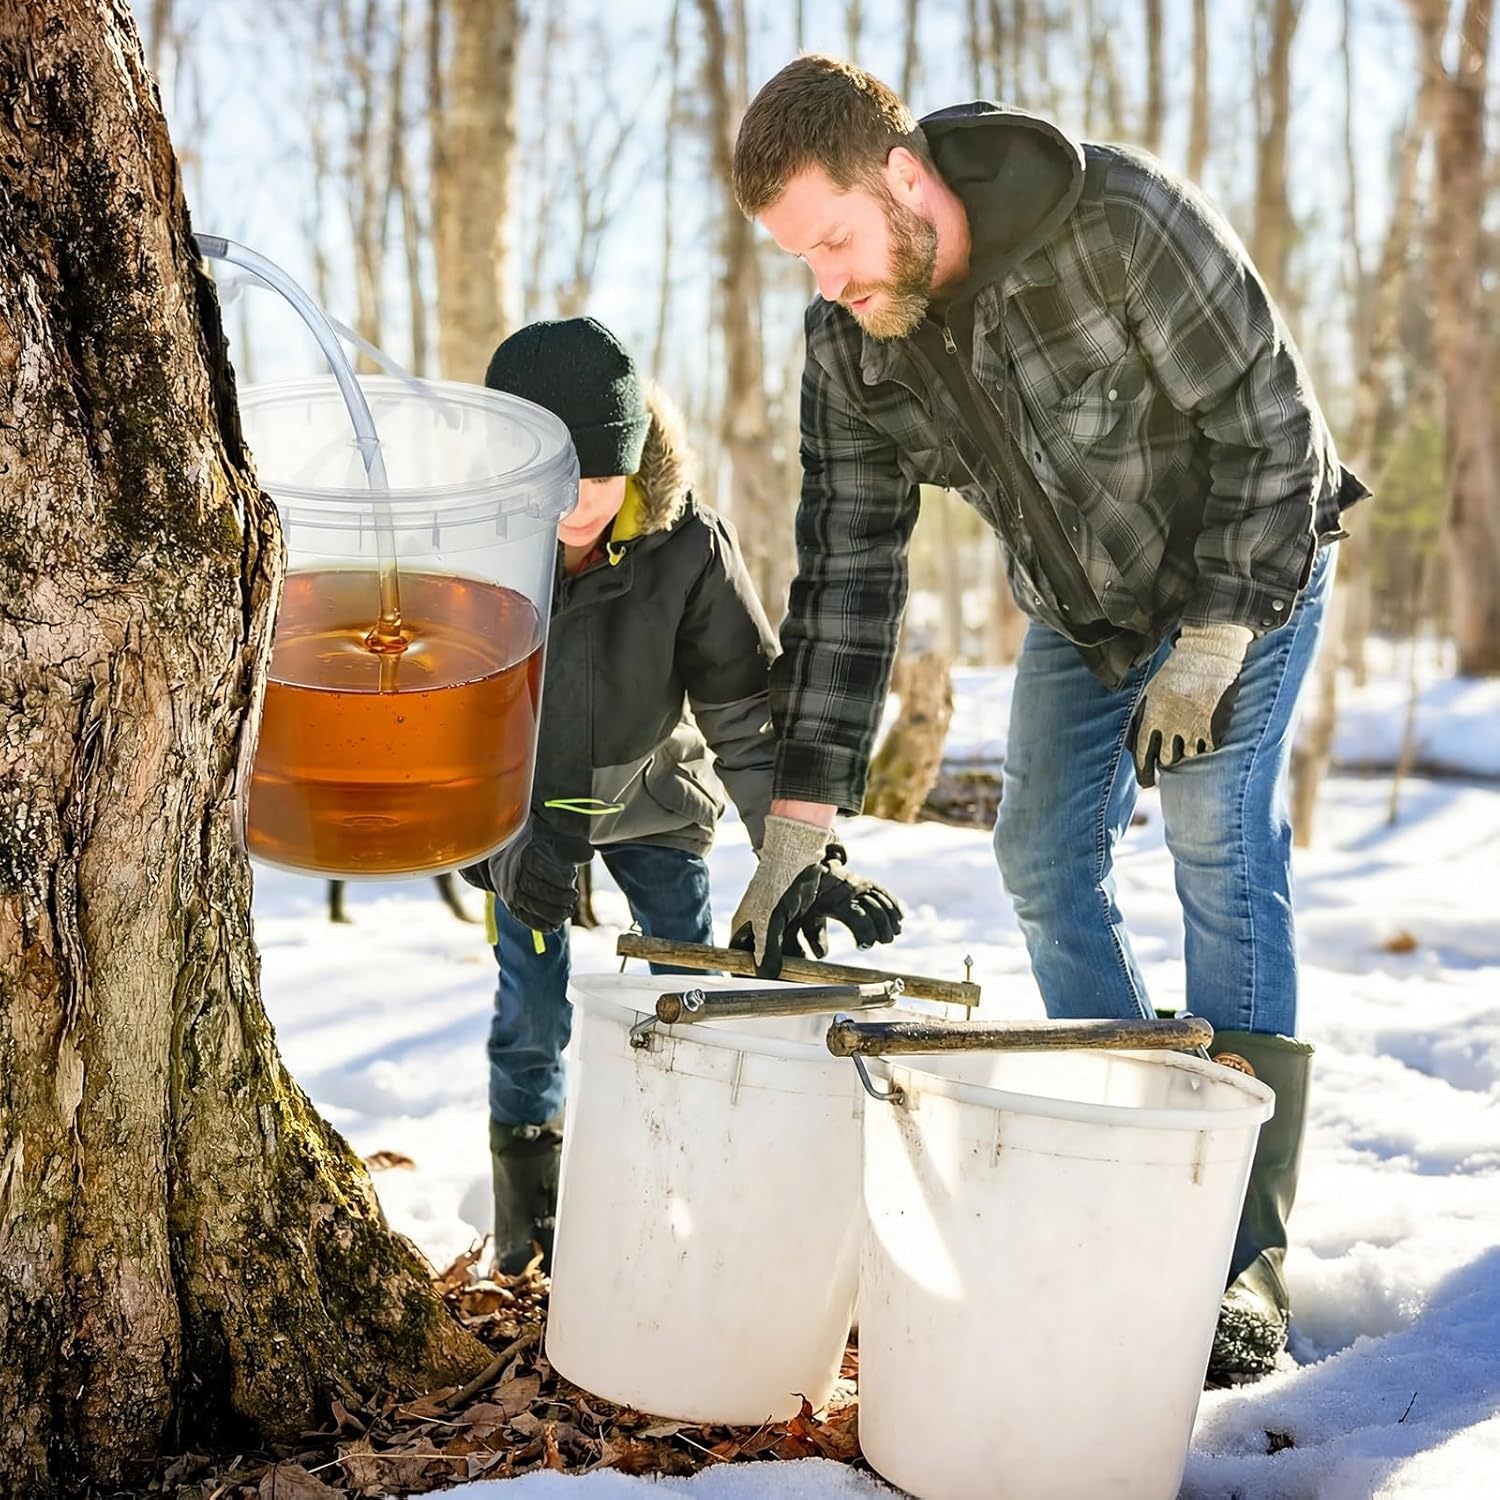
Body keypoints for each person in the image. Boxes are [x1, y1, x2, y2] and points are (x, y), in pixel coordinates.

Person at [725, 55, 1369, 1380]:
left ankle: (1243, 1247)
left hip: (1250, 568)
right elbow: (847, 577)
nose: (826, 281)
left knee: (1214, 826)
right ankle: (1151, 1149)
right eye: (800, 259)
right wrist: (799, 822)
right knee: (1037, 857)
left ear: (904, 180)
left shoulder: (1115, 222)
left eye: (834, 240)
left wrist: (1216, 639)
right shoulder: (851, 345)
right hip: (1089, 620)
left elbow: (1272, 427)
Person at [462, 316, 903, 1276]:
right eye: (549, 473)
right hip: (522, 819)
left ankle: (685, 1184)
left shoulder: (686, 545)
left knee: (687, 992)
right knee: (531, 1009)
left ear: (630, 461)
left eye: (596, 473)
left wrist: (803, 855)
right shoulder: (471, 544)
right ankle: (527, 1220)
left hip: (654, 799)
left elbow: (745, 718)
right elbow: (440, 722)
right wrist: (495, 850)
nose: (573, 499)